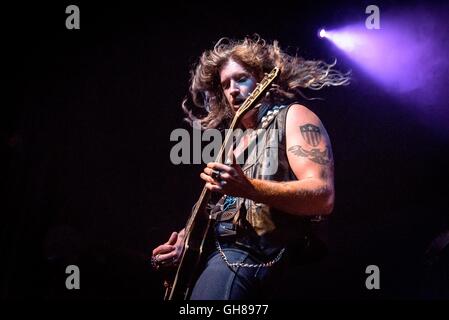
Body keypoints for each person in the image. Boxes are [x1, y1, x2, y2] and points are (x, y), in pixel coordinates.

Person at [152, 35, 350, 299]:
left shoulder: (293, 116)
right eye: (225, 84)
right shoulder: (231, 147)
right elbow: (220, 210)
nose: (233, 89)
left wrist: (250, 187)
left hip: (247, 259)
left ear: (262, 80)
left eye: (241, 78)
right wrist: (184, 246)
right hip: (214, 261)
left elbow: (323, 195)